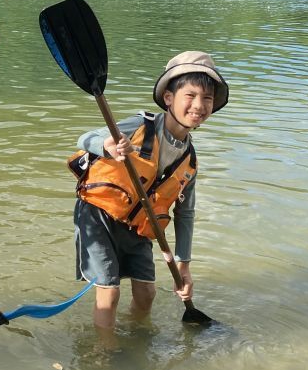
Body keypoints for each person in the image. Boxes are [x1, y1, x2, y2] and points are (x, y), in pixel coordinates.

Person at [69, 51, 229, 332]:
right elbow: (84, 138)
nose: (199, 105)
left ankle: (137, 341)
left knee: (147, 295)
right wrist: (106, 145)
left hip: (138, 227)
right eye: (190, 96)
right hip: (98, 215)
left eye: (207, 98)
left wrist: (184, 265)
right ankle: (103, 356)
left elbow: (185, 213)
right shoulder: (140, 125)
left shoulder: (189, 160)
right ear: (169, 97)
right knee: (110, 292)